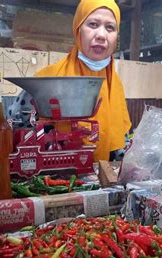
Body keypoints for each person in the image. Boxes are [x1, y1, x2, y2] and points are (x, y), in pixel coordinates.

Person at [35, 0, 131, 162]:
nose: (101, 35)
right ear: (78, 29)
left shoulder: (115, 86)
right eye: (93, 24)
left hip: (103, 181)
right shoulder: (46, 79)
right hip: (56, 180)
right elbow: (23, 135)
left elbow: (120, 145)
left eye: (110, 27)